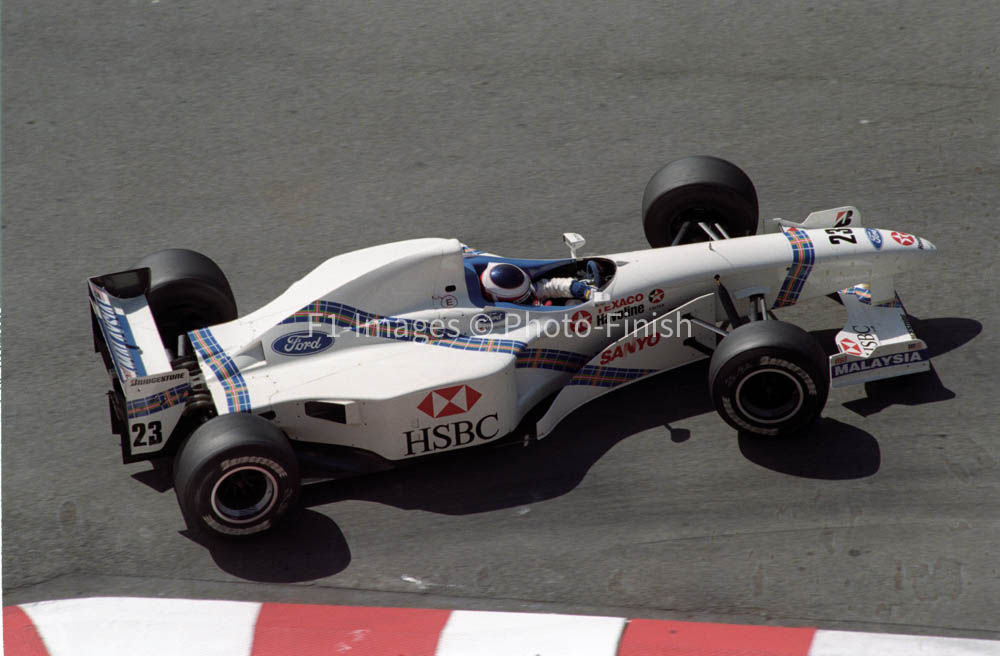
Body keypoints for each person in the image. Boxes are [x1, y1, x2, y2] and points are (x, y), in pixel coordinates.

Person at [479, 262, 594, 305]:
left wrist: (577, 288)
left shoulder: (526, 291)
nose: (532, 299)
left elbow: (548, 287)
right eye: (524, 300)